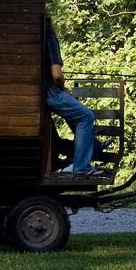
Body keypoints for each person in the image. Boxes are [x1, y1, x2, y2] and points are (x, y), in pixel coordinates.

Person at [43, 14, 99, 176]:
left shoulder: (34, 38)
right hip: (50, 91)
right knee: (86, 116)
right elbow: (57, 75)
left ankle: (93, 146)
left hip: (39, 93)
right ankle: (81, 166)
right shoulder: (49, 38)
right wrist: (62, 88)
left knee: (75, 112)